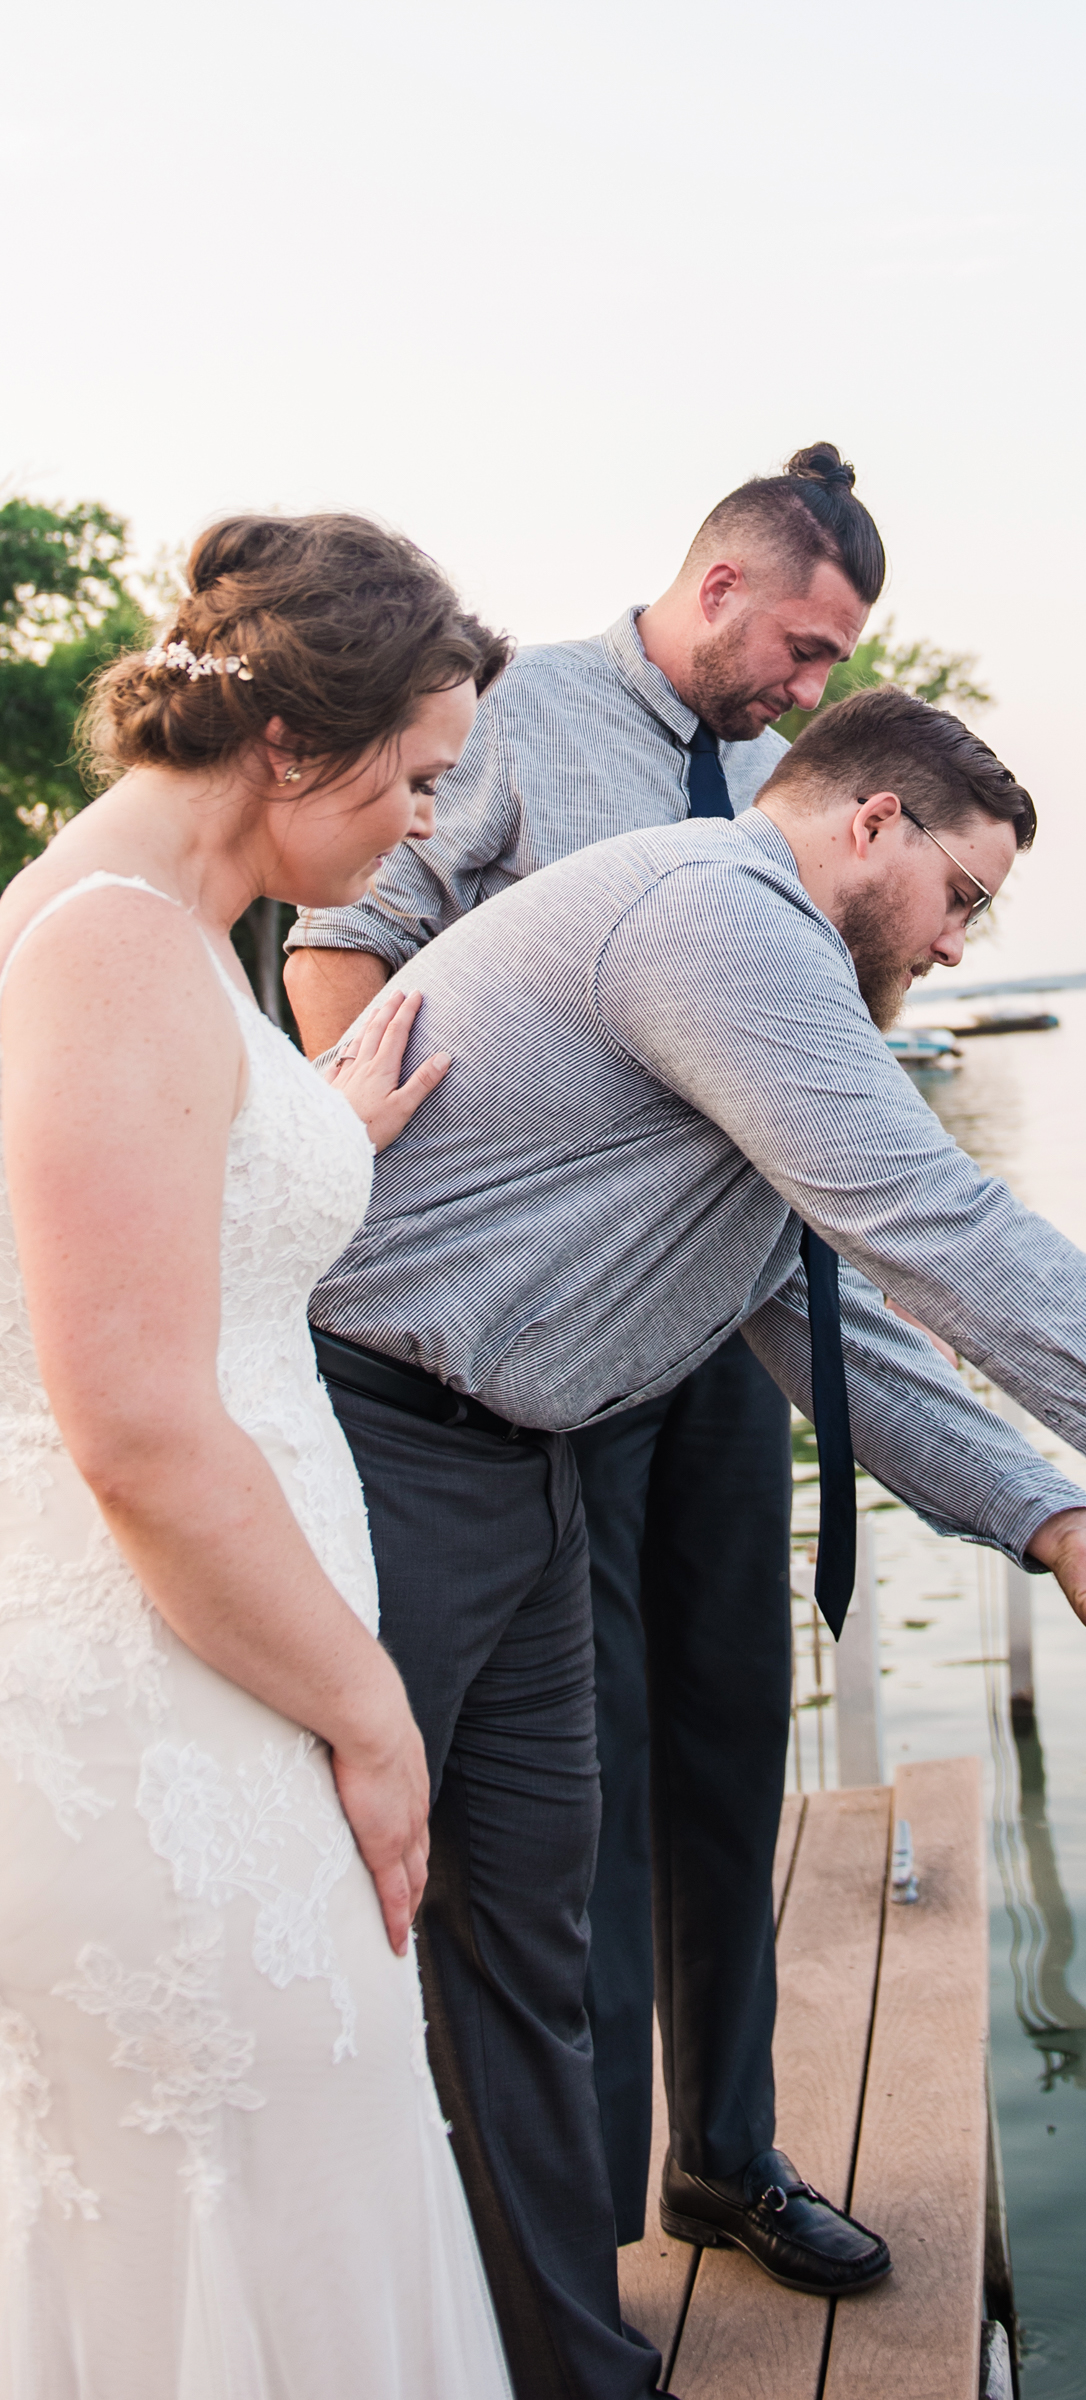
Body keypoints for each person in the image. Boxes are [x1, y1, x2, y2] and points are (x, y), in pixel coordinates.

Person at [305, 683, 1086, 2397]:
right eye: (962, 896)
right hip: (378, 1437)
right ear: (870, 824)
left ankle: (571, 2367)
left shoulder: (770, 986)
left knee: (526, 1954)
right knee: (342, 1925)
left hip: (520, 1461)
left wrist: (1056, 1524)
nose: (960, 948)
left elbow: (831, 1325)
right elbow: (932, 1219)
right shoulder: (714, 916)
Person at [284, 446, 891, 2279]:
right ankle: (592, 2203)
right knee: (589, 1774)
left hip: (707, 1329)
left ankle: (728, 2151)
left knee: (726, 1739)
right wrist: (393, 1193)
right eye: (799, 644)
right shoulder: (529, 714)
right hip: (534, 1350)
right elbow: (340, 947)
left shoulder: (784, 786)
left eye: (834, 660)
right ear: (718, 588)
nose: (811, 685)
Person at [0, 513, 516, 2397]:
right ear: (296, 745)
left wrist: (312, 1133)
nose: (429, 827)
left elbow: (171, 1219)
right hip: (171, 1725)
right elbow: (133, 1423)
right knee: (249, 2247)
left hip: (199, 1697)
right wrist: (373, 1717)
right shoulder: (119, 952)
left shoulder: (151, 940)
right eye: (422, 777)